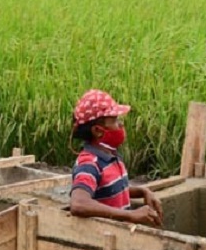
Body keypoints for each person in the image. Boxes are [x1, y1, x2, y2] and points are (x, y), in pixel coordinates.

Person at [69, 89, 163, 226]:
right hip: (104, 239)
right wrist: (131, 215)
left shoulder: (110, 155)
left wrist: (143, 191)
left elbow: (112, 189)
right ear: (97, 131)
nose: (121, 124)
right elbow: (78, 203)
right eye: (115, 120)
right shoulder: (89, 163)